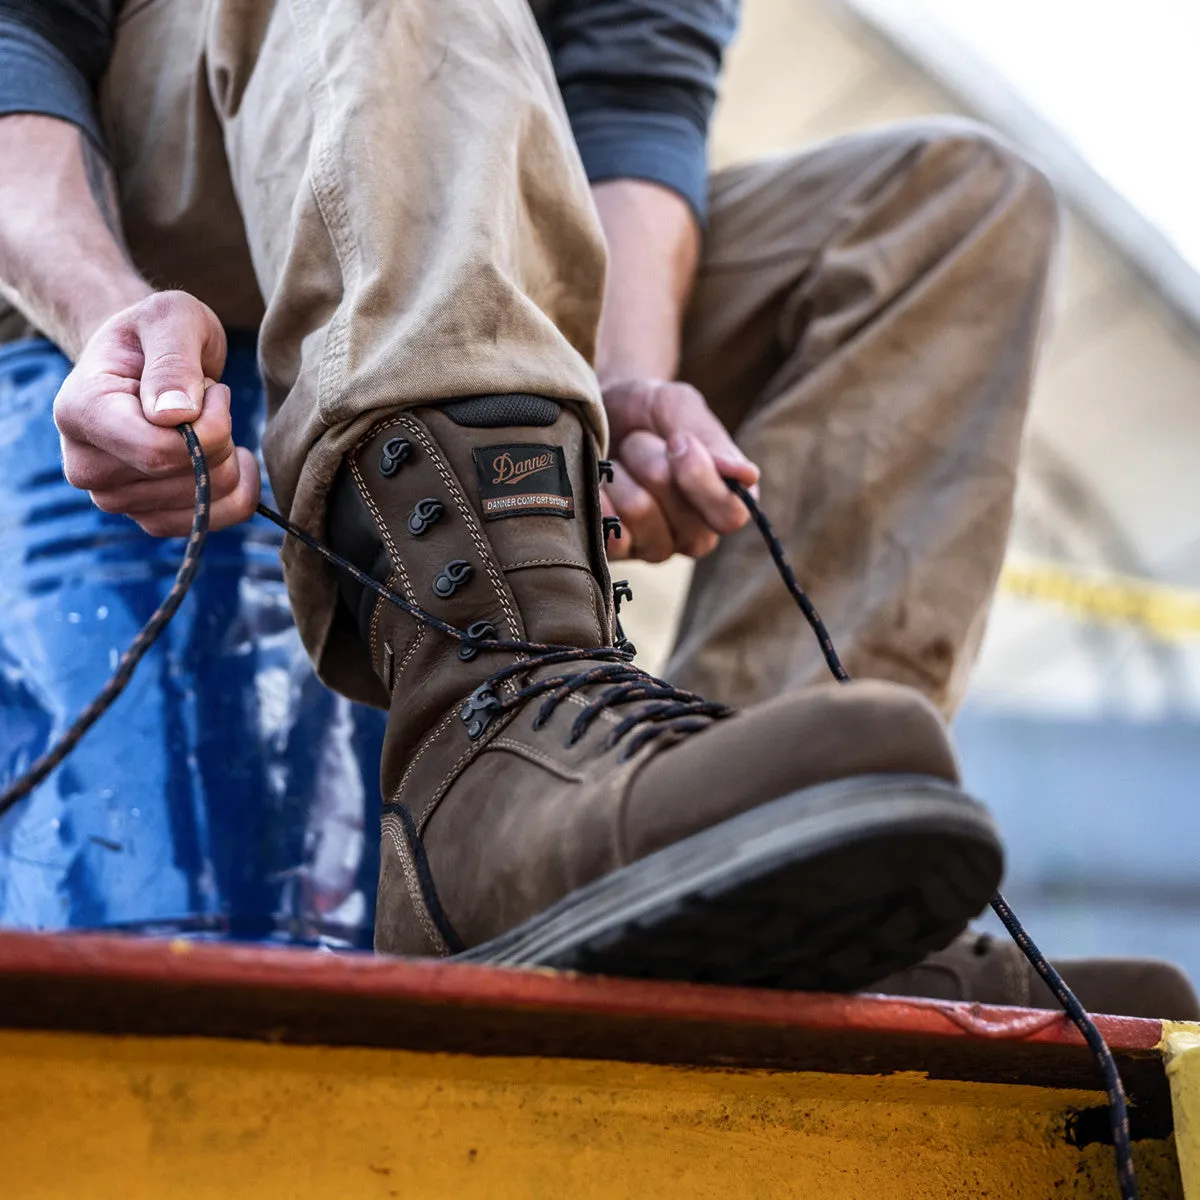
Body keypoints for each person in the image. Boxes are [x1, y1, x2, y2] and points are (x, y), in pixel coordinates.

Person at [0, 0, 1193, 1014]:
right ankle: (484, 740)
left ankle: (754, 844)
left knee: (954, 206)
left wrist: (628, 375)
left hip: (469, 197)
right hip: (164, 181)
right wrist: (106, 306)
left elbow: (632, 96)